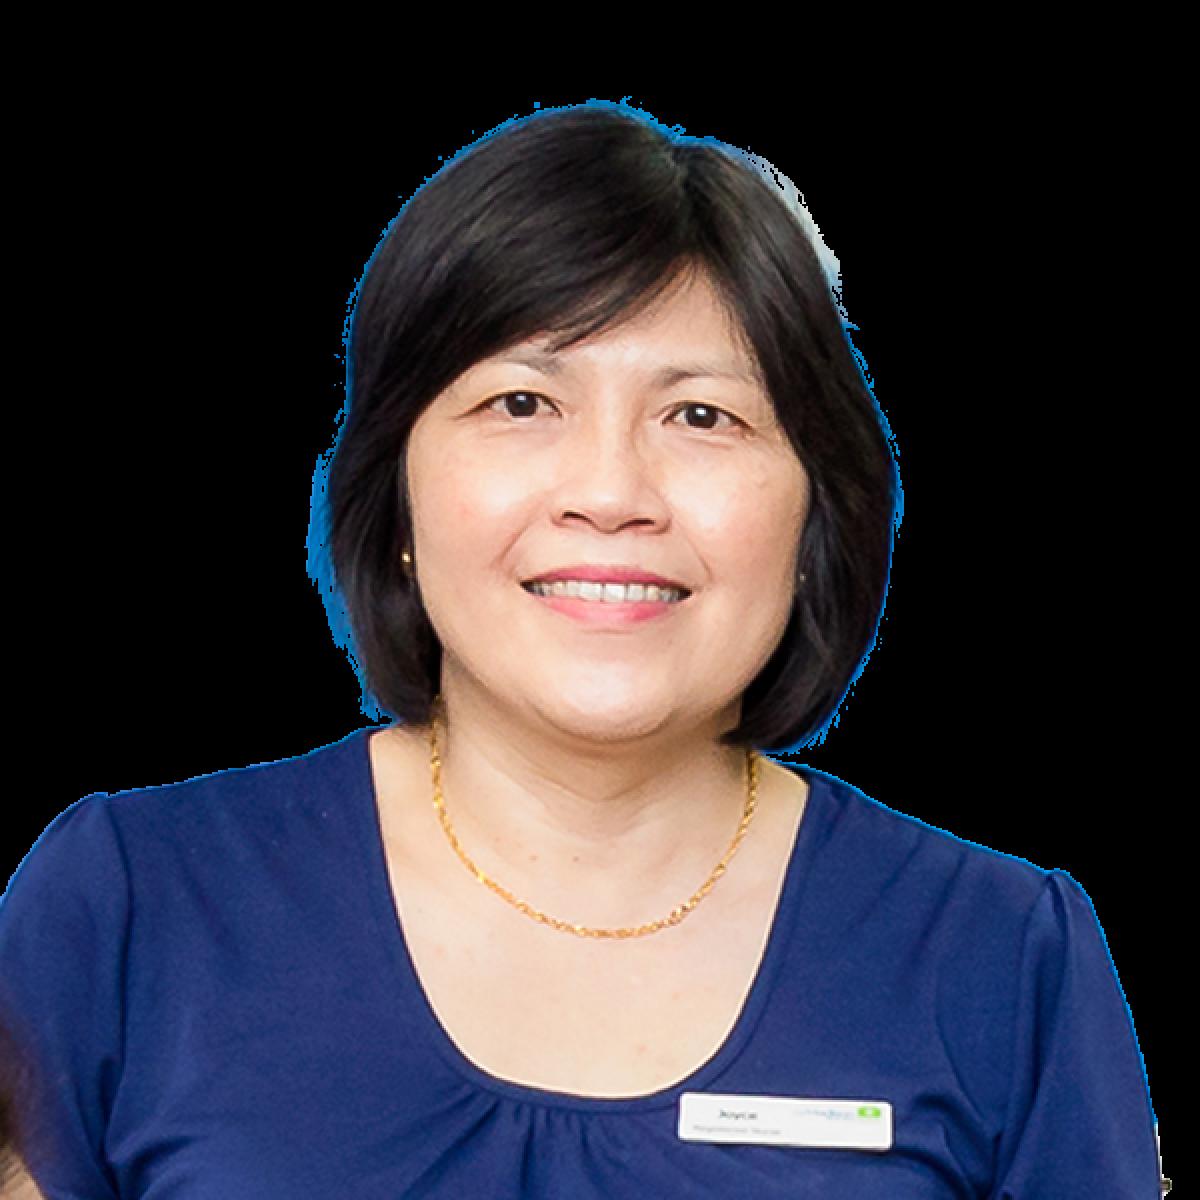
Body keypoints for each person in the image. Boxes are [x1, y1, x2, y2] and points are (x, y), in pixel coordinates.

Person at [0, 101, 1163, 1197]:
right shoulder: (129, 906)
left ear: (817, 515)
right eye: (521, 403)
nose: (611, 493)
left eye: (701, 416)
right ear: (394, 495)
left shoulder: (1005, 957)